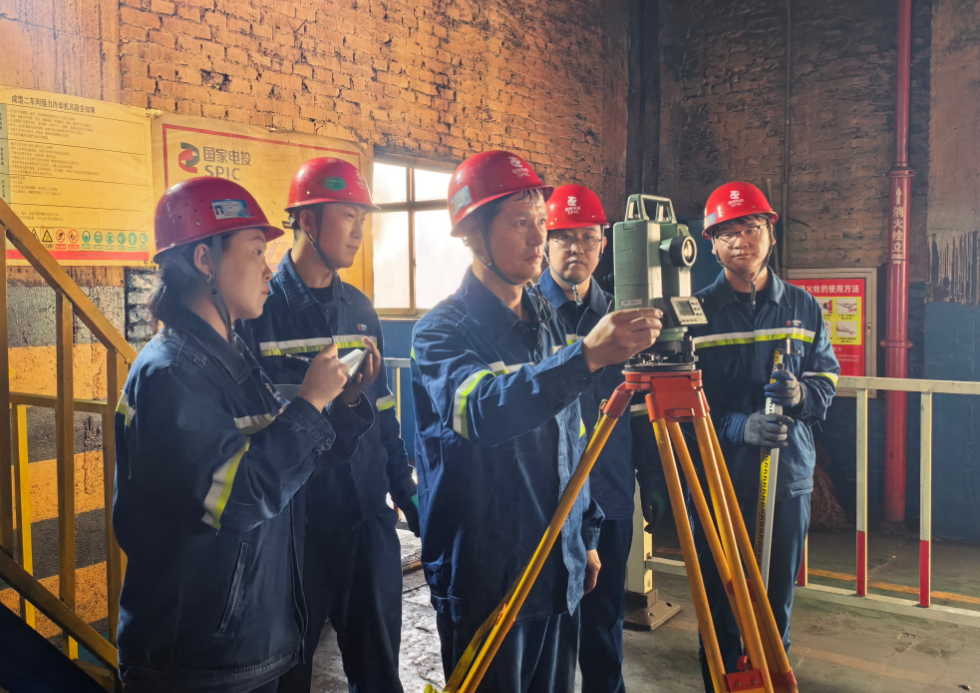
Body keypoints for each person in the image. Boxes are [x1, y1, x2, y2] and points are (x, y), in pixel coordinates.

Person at [411, 150, 664, 692]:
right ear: (471, 233)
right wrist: (585, 357)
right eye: (519, 222)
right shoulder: (440, 333)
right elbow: (482, 411)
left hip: (557, 568)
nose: (537, 238)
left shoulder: (545, 318)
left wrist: (584, 535)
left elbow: (573, 435)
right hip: (488, 577)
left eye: (541, 221)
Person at [114, 177, 379, 693]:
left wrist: (342, 404)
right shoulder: (173, 374)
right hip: (195, 662)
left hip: (243, 646)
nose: (268, 268)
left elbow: (287, 467)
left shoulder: (228, 359)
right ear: (205, 261)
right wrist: (309, 404)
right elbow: (236, 498)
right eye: (256, 251)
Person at [239, 157, 416, 693]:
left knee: (380, 673)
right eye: (348, 217)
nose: (359, 231)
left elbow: (383, 411)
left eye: (363, 218)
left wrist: (404, 490)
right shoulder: (259, 312)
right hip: (298, 529)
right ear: (308, 221)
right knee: (287, 675)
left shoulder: (359, 309)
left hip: (366, 520)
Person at [689, 181, 839, 691]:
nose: (740, 241)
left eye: (750, 228)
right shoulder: (694, 314)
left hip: (787, 477)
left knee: (774, 607)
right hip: (720, 478)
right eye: (727, 232)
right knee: (720, 603)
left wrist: (801, 395)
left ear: (770, 234)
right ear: (711, 244)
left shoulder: (803, 306)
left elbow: (826, 379)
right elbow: (682, 405)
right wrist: (738, 425)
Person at [536, 183, 654, 693]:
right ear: (546, 242)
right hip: (549, 499)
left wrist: (653, 488)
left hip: (610, 490)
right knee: (549, 632)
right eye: (564, 237)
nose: (575, 248)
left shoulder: (625, 319)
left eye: (586, 237)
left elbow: (642, 417)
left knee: (605, 628)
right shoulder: (527, 316)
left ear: (604, 245)